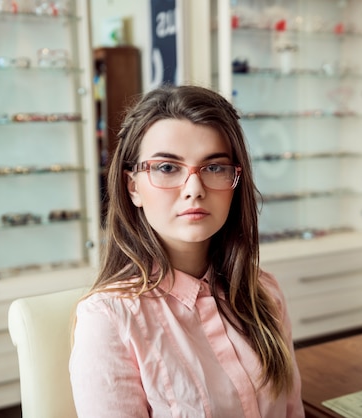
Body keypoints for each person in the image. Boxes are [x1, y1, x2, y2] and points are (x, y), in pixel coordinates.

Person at [69, 84, 304, 417]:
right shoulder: (108, 320)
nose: (194, 189)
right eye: (167, 168)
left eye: (213, 168)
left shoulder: (264, 292)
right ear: (133, 186)